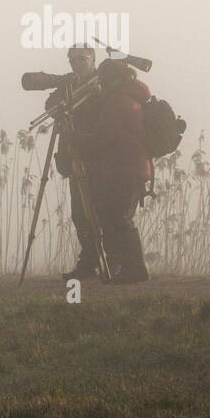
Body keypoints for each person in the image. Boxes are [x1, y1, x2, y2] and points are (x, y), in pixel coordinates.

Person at [72, 58, 152, 283]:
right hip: (129, 168)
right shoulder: (131, 98)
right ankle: (128, 269)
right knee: (118, 218)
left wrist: (76, 138)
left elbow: (102, 138)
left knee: (117, 219)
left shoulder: (118, 102)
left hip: (124, 170)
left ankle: (134, 270)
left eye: (103, 79)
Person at [44, 45, 104, 282]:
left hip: (98, 157)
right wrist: (61, 103)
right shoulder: (69, 85)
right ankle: (90, 262)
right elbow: (50, 104)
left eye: (82, 59)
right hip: (73, 155)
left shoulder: (103, 84)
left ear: (93, 60)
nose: (77, 64)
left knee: (98, 212)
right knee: (80, 214)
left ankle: (104, 261)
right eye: (72, 60)